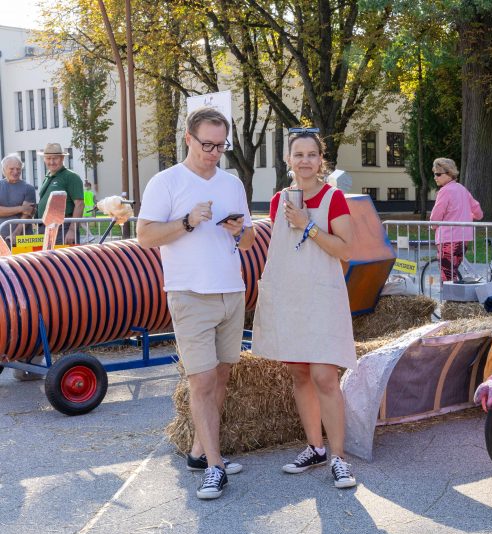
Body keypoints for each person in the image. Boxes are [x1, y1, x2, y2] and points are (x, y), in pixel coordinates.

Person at [137, 108, 256, 500]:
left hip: (230, 290)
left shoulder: (232, 182)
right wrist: (187, 222)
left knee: (221, 377)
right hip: (189, 292)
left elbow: (250, 240)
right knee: (201, 380)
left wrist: (240, 231)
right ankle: (215, 467)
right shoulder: (166, 181)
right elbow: (146, 237)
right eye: (207, 144)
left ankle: (200, 453)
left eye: (220, 145)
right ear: (188, 138)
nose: (213, 152)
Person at [251, 128, 358, 489]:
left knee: (325, 376)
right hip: (291, 296)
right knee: (298, 372)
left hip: (322, 295)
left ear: (320, 159)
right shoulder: (279, 199)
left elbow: (345, 249)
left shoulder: (334, 198)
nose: (305, 161)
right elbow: (280, 249)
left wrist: (308, 225)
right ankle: (315, 447)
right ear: (288, 160)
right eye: (298, 154)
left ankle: (339, 457)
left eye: (312, 154)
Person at [429, 158, 482, 282]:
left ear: (449, 174)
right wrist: (468, 216)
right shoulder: (462, 189)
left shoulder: (444, 191)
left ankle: (449, 300)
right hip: (463, 240)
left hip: (448, 239)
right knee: (453, 274)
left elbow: (435, 217)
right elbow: (478, 213)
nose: (435, 177)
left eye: (438, 174)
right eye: (434, 174)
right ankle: (455, 300)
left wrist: (433, 226)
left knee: (447, 276)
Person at [36, 143, 85, 245]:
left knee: (63, 260)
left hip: (63, 228)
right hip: (46, 228)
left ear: (62, 158)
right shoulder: (48, 177)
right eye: (48, 158)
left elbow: (79, 204)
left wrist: (72, 230)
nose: (51, 162)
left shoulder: (71, 177)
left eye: (55, 158)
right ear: (44, 159)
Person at [0, 154, 36, 246]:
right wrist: (21, 208)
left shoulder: (29, 188)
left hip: (22, 238)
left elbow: (27, 214)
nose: (15, 172)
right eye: (11, 169)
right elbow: (25, 210)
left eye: (18, 169)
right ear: (4, 170)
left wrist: (15, 234)